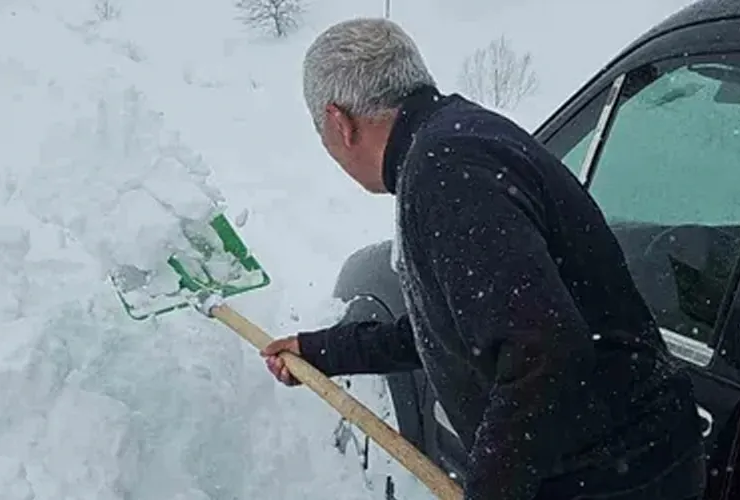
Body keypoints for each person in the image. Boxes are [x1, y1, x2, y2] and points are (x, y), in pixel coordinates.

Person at [260, 18, 706, 500]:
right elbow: (452, 330)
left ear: (339, 122)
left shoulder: (445, 171)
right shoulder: (456, 141)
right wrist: (322, 351)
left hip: (610, 477)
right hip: (620, 460)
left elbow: (544, 350)